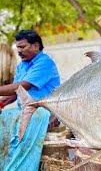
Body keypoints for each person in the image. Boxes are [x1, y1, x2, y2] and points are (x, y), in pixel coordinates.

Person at [0, 30, 60, 170]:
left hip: (44, 113)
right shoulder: (22, 66)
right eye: (18, 47)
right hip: (26, 110)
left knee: (30, 125)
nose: (19, 51)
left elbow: (24, 86)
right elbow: (16, 92)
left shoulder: (45, 62)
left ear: (36, 46)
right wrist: (1, 103)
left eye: (23, 47)